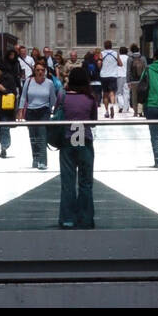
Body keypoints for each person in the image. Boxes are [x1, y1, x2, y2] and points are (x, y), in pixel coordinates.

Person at [58, 68, 98, 229]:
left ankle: (68, 218)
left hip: (67, 141)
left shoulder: (63, 97)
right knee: (86, 182)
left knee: (68, 182)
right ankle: (86, 218)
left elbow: (57, 115)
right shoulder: (90, 99)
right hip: (85, 141)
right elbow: (94, 121)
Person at [22, 61, 58, 169]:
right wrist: (20, 110)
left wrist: (53, 110)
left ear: (45, 71)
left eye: (42, 70)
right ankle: (35, 158)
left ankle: (43, 161)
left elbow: (53, 98)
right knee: (33, 137)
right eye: (38, 70)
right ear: (34, 71)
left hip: (44, 110)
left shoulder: (49, 83)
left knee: (42, 136)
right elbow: (23, 97)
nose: (40, 72)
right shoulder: (28, 81)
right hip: (30, 111)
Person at [0, 58, 20, 159]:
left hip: (6, 109)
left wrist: (4, 90)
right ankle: (3, 146)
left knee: (4, 127)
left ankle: (5, 146)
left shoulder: (9, 78)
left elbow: (14, 93)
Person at [98, 40, 123, 119]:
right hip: (113, 75)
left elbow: (99, 64)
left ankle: (106, 111)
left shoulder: (101, 53)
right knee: (112, 93)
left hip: (104, 75)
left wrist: (100, 67)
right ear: (111, 46)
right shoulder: (115, 53)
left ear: (104, 46)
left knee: (105, 94)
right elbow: (120, 64)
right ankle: (112, 104)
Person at [126, 44, 147, 117]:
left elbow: (128, 70)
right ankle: (140, 111)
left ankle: (135, 112)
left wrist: (128, 81)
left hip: (133, 81)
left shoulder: (130, 59)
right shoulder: (143, 58)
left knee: (134, 97)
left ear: (131, 50)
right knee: (142, 96)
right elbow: (146, 69)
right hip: (142, 81)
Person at [115, 46, 131, 115]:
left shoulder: (118, 58)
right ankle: (126, 107)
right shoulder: (129, 58)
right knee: (126, 92)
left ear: (120, 51)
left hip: (119, 76)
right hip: (127, 76)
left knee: (119, 92)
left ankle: (121, 106)